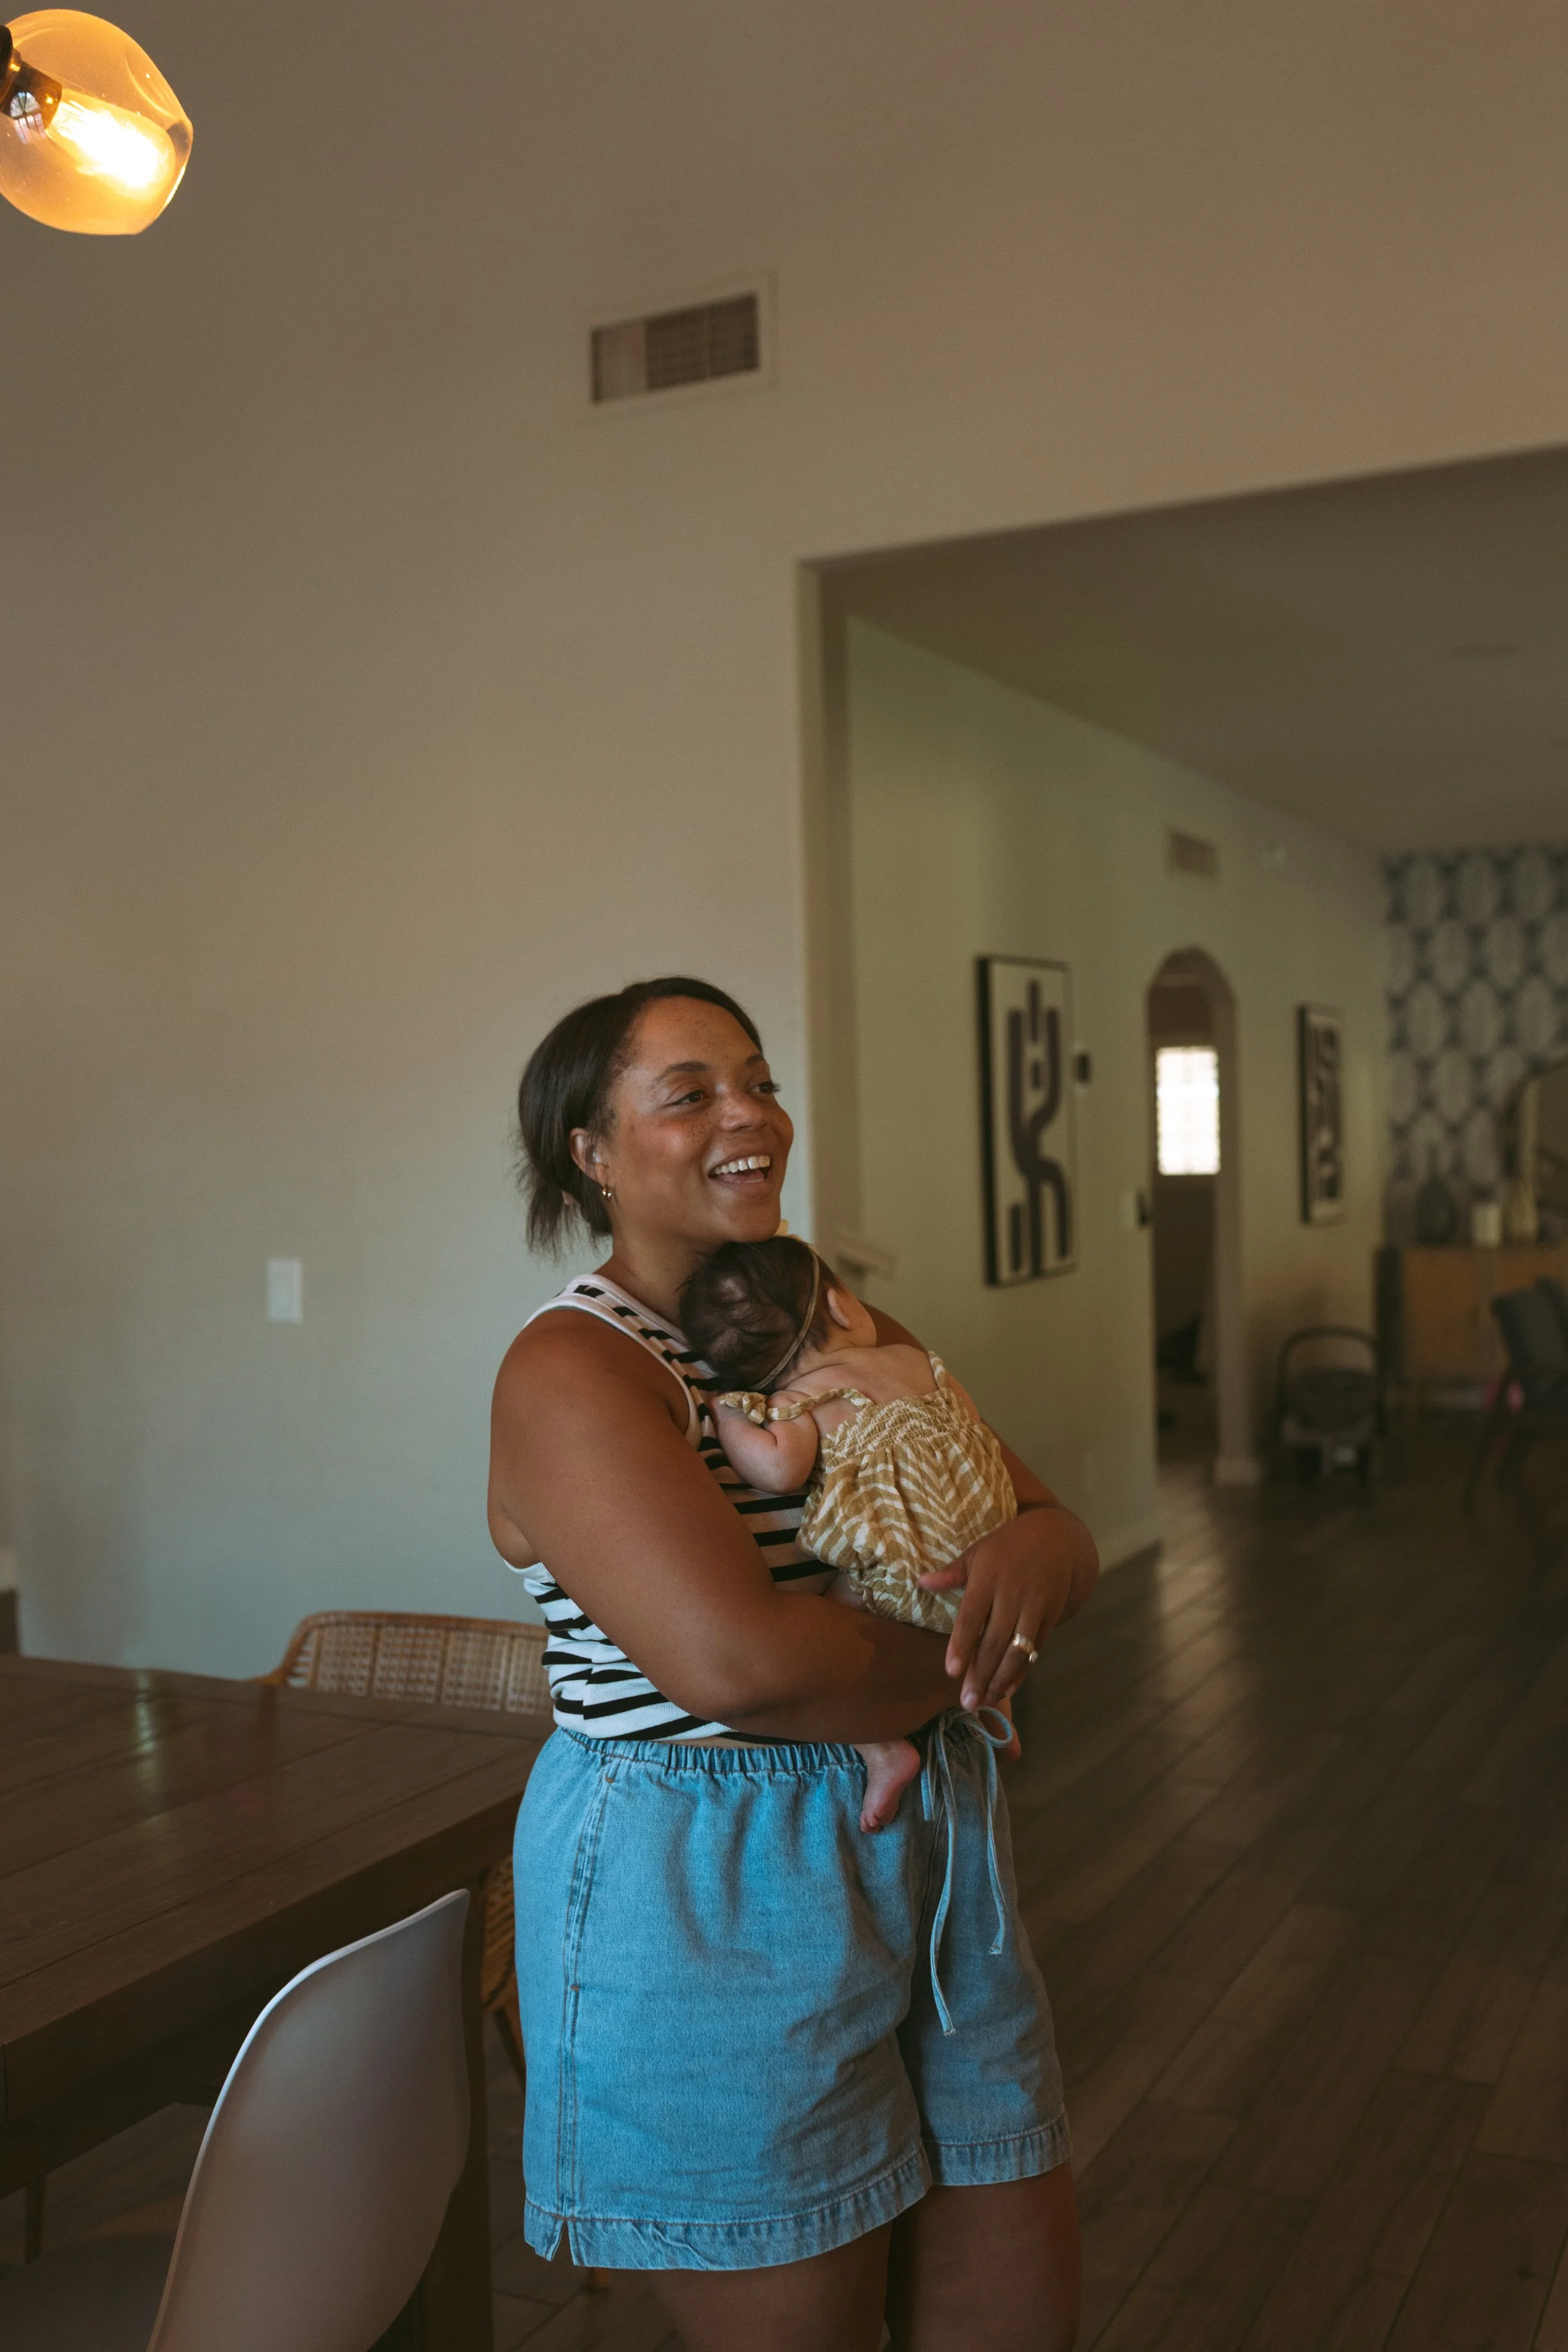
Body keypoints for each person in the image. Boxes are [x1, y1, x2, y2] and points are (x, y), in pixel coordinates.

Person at [487, 975, 1097, 2352]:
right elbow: (743, 1667)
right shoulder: (574, 1370)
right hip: (705, 1892)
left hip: (929, 1858)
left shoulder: (811, 1304)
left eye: (755, 1079)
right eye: (689, 1091)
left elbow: (1047, 1525)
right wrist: (986, 1644)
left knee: (1008, 2294)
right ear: (590, 1153)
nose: (750, 1113)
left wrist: (1032, 1567)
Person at [682, 1234, 1018, 1832]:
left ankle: (880, 1746)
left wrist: (728, 1416)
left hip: (905, 1568)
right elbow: (974, 1430)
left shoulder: (806, 1398)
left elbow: (779, 1470)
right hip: (985, 1553)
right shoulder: (918, 1362)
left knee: (827, 1618)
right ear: (844, 1307)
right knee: (969, 1618)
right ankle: (995, 1693)